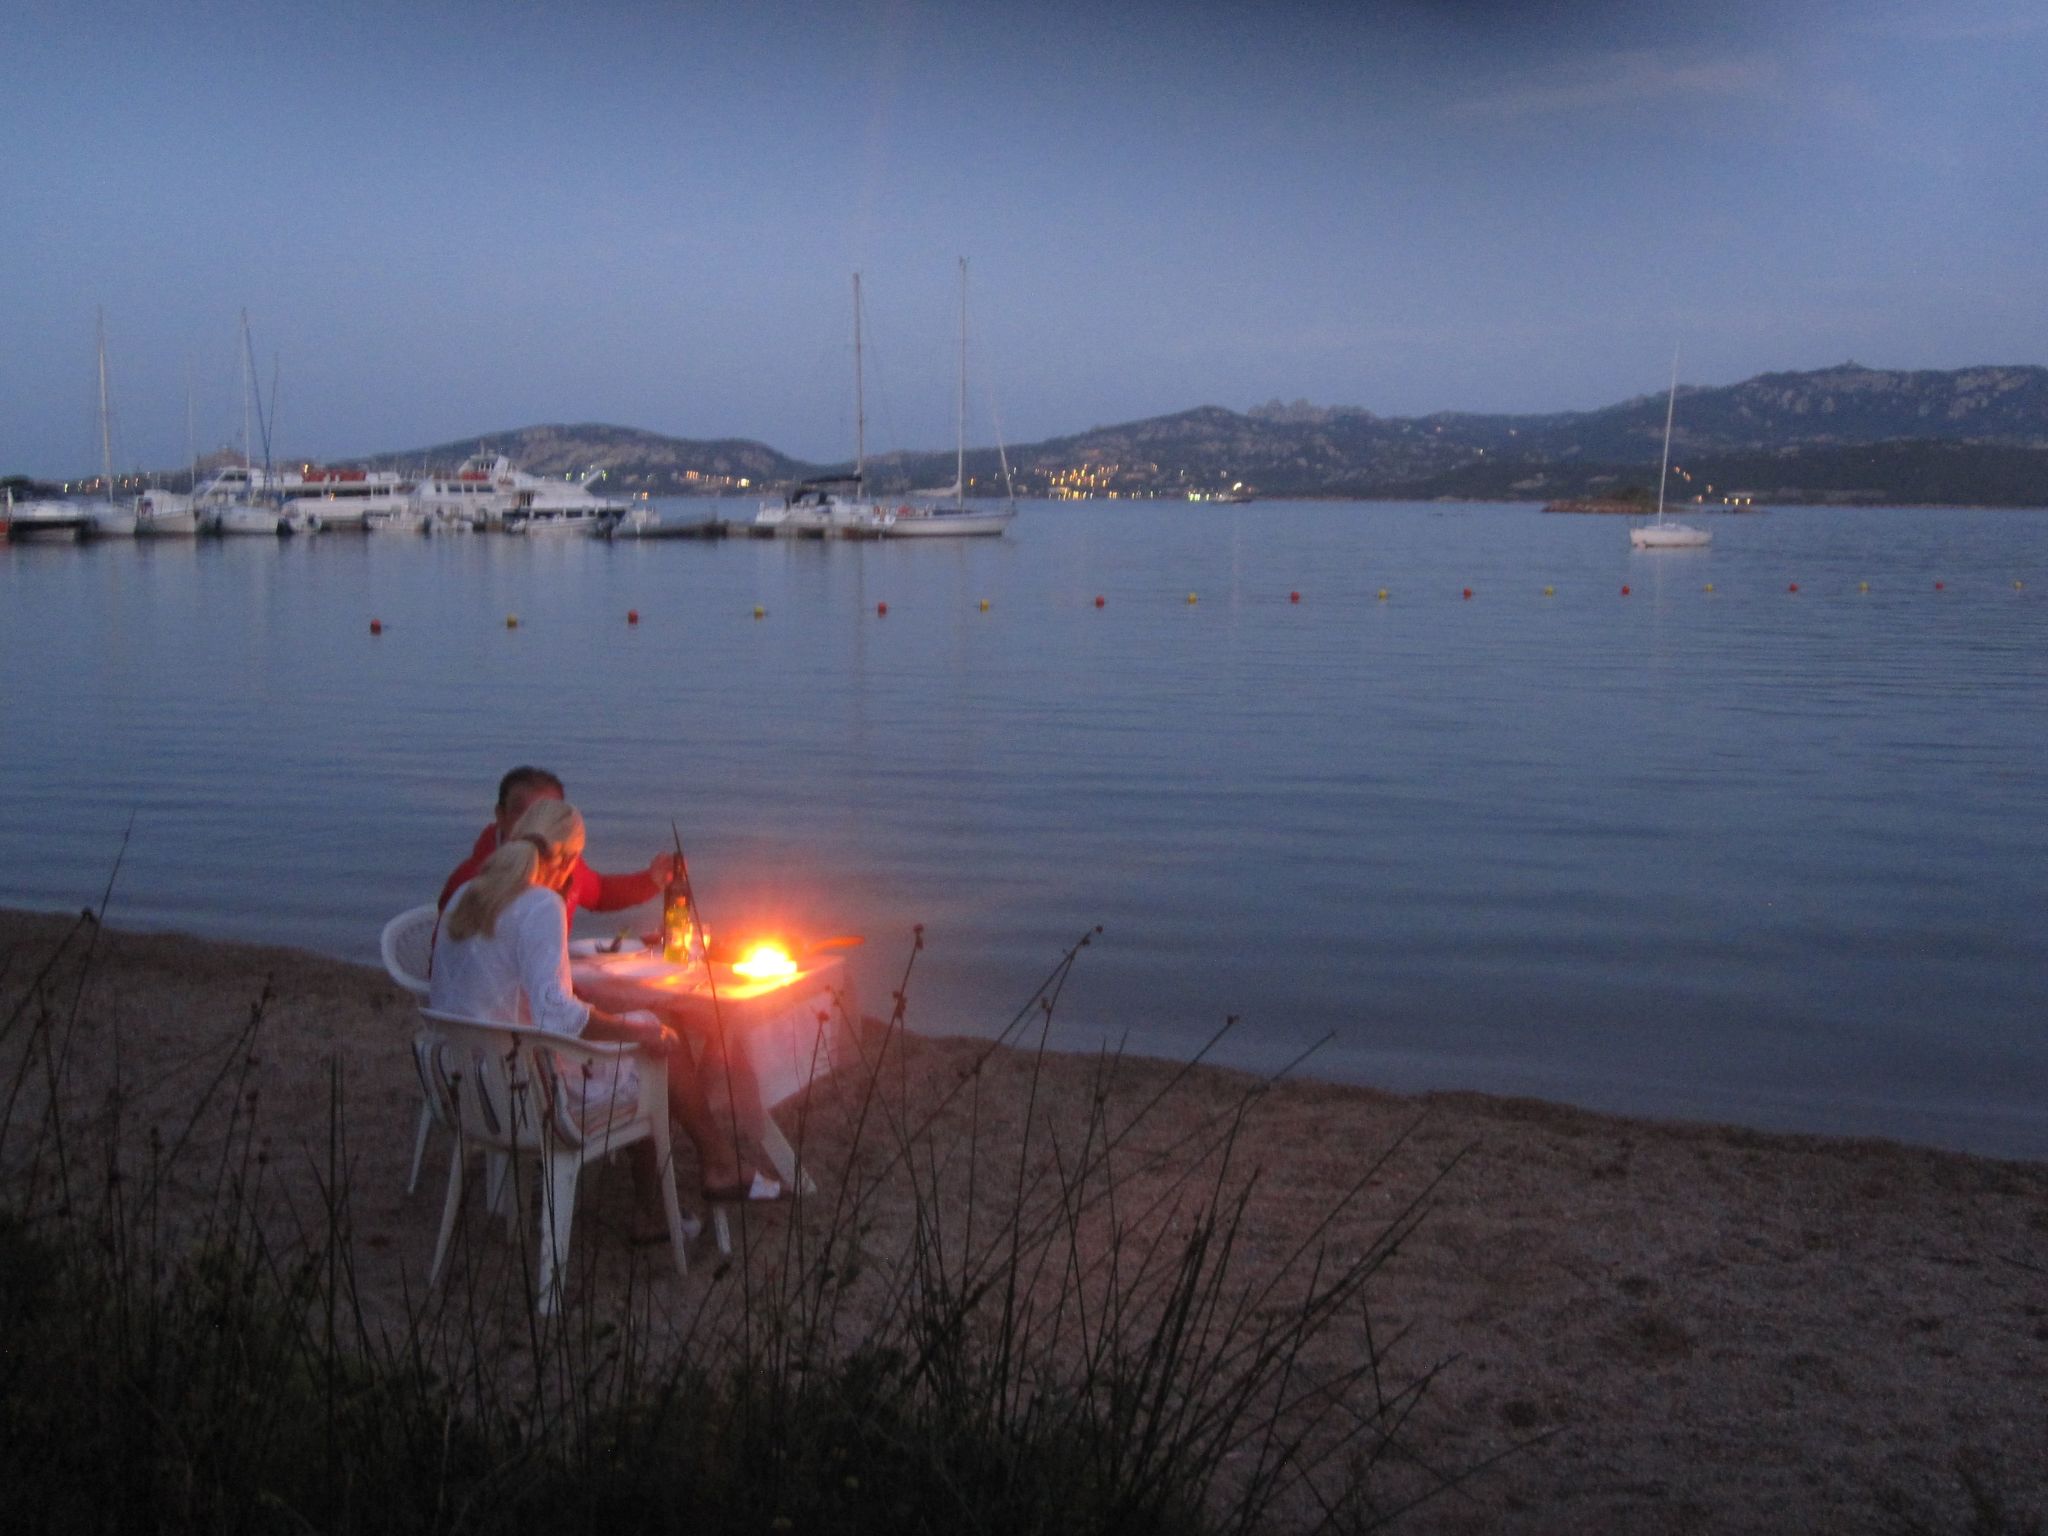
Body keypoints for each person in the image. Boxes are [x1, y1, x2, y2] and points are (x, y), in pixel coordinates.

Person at [432, 799, 779, 1223]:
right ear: (569, 860)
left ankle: (668, 1201)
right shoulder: (540, 905)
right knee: (655, 1043)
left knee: (643, 1032)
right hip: (527, 1096)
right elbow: (558, 1016)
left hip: (463, 1088)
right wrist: (638, 1032)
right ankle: (704, 1176)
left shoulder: (468, 894)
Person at [437, 765, 679, 923]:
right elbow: (447, 961)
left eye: (550, 816)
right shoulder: (471, 883)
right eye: (527, 815)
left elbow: (599, 893)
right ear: (501, 816)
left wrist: (651, 881)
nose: (539, 826)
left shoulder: (565, 866)